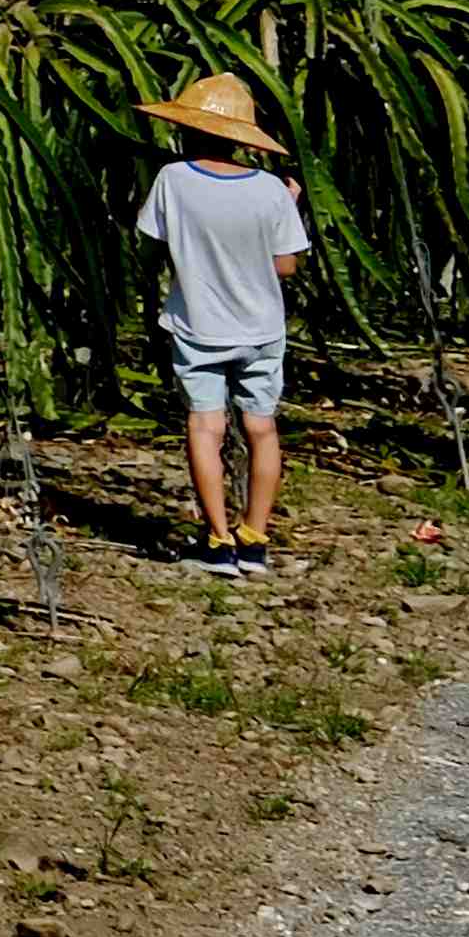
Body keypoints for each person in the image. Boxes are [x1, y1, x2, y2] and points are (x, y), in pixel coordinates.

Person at [136, 71, 314, 566]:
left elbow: (153, 244)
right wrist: (288, 206)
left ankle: (218, 539)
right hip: (262, 328)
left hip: (199, 327)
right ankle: (255, 538)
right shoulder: (272, 190)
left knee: (205, 426)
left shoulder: (173, 180)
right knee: (262, 429)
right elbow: (285, 266)